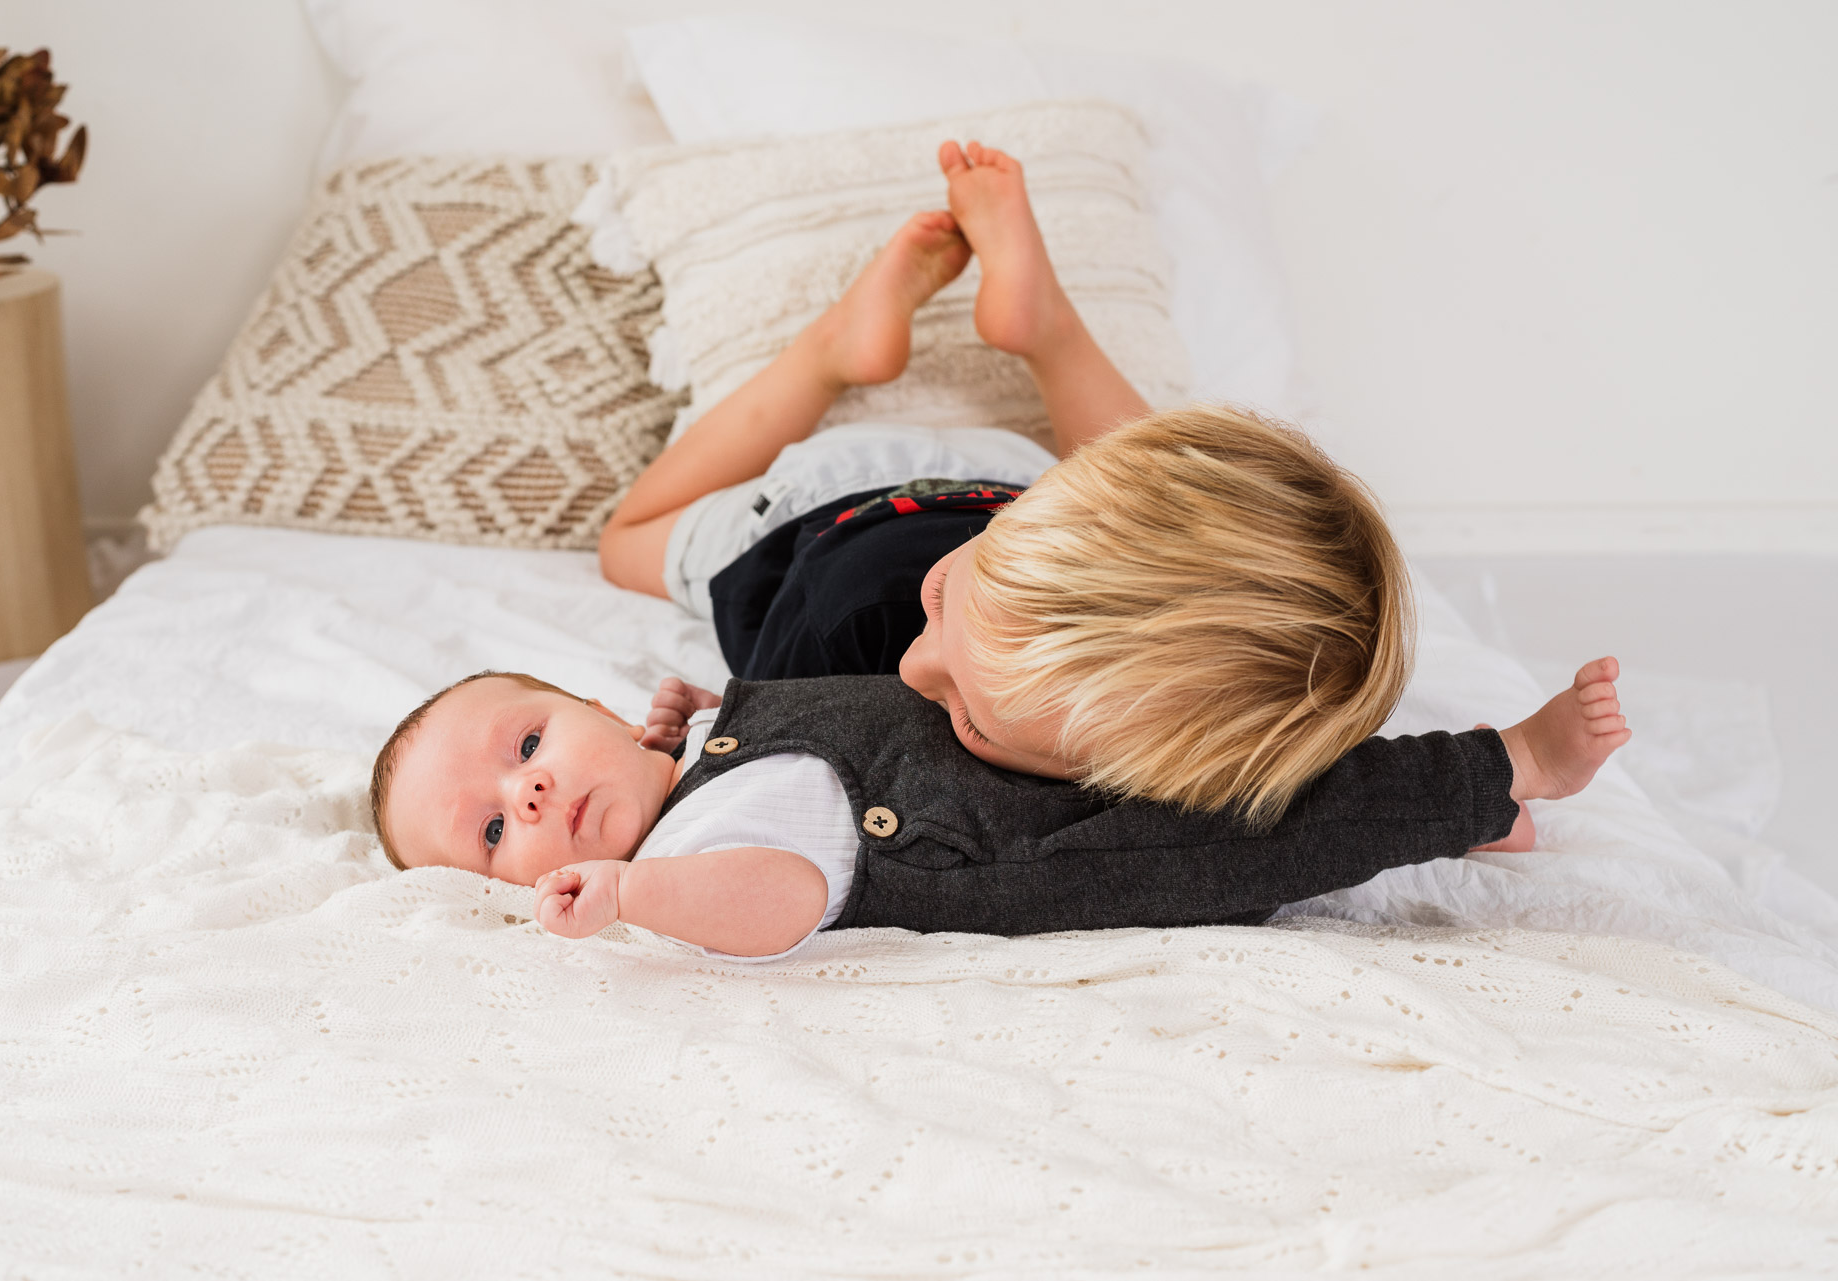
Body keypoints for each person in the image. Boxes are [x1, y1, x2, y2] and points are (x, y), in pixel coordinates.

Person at [598, 140, 1415, 831]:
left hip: (1011, 492)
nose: (919, 674)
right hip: (815, 507)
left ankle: (1041, 341)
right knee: (624, 541)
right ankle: (838, 348)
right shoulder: (837, 634)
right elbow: (760, 758)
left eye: (969, 718)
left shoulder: (1191, 736)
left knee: (1145, 481)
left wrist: (1445, 790)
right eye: (948, 601)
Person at [368, 659, 1631, 961]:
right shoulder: (690, 852)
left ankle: (1451, 817)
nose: (528, 787)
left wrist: (689, 726)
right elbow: (785, 901)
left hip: (1038, 750)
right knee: (1250, 833)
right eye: (494, 831)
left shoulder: (698, 748)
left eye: (527, 740)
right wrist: (640, 895)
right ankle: (1504, 765)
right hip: (1053, 848)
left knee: (1229, 747)